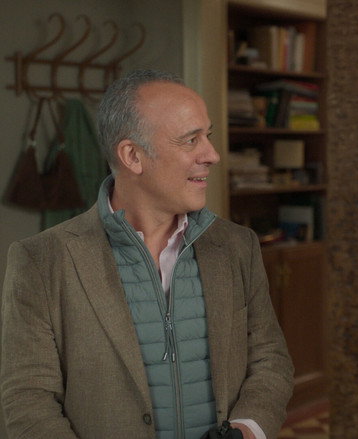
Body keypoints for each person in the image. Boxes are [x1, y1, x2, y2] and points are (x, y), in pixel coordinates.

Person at [1, 70, 294, 439]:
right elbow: (28, 401)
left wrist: (247, 430)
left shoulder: (238, 246)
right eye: (191, 140)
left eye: (209, 136)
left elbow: (270, 360)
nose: (212, 155)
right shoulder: (40, 260)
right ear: (133, 156)